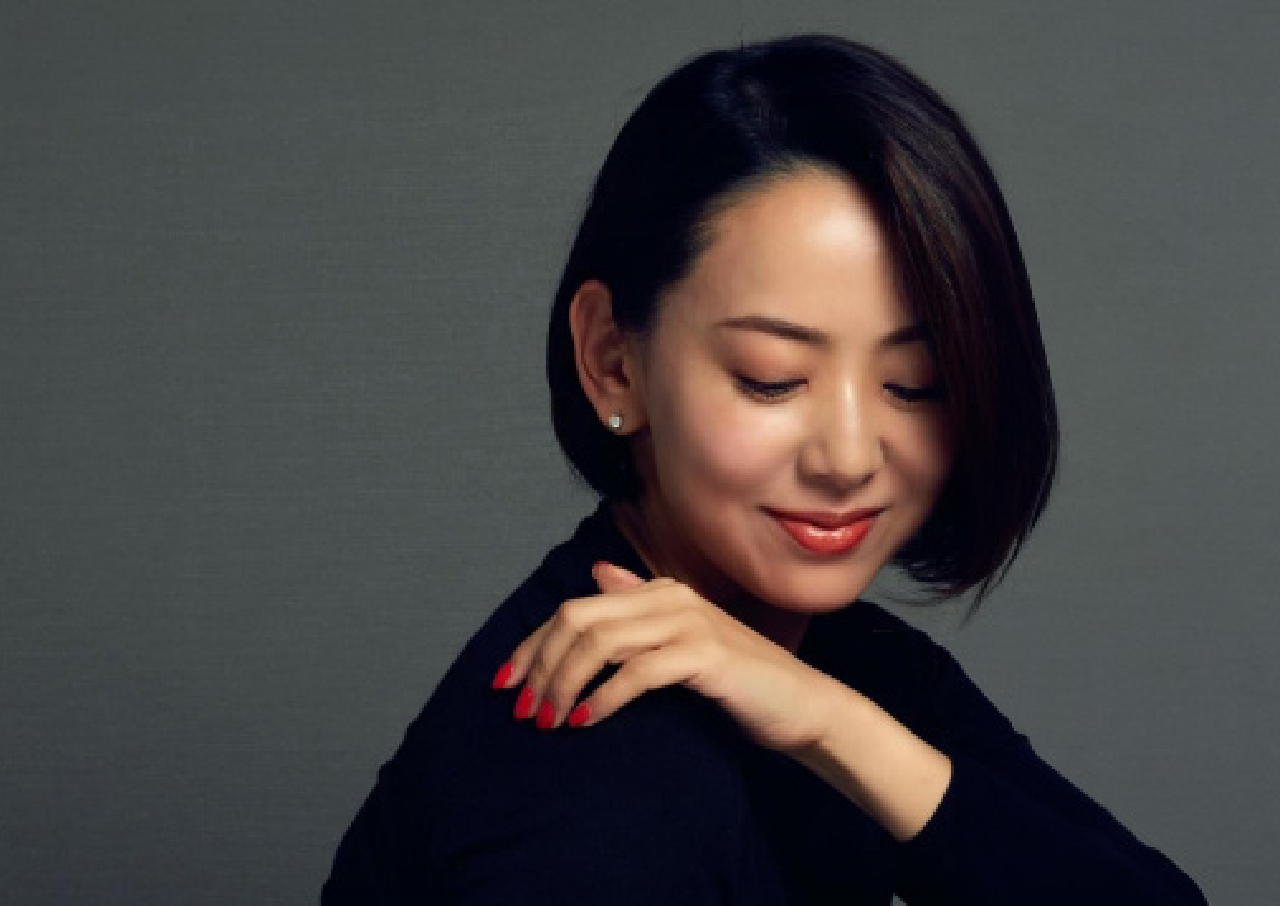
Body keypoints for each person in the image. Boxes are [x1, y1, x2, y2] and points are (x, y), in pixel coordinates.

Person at [321, 34, 1206, 904]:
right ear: (612, 362)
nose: (849, 458)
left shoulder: (836, 668)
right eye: (771, 379)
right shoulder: (593, 772)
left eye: (914, 383)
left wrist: (832, 724)